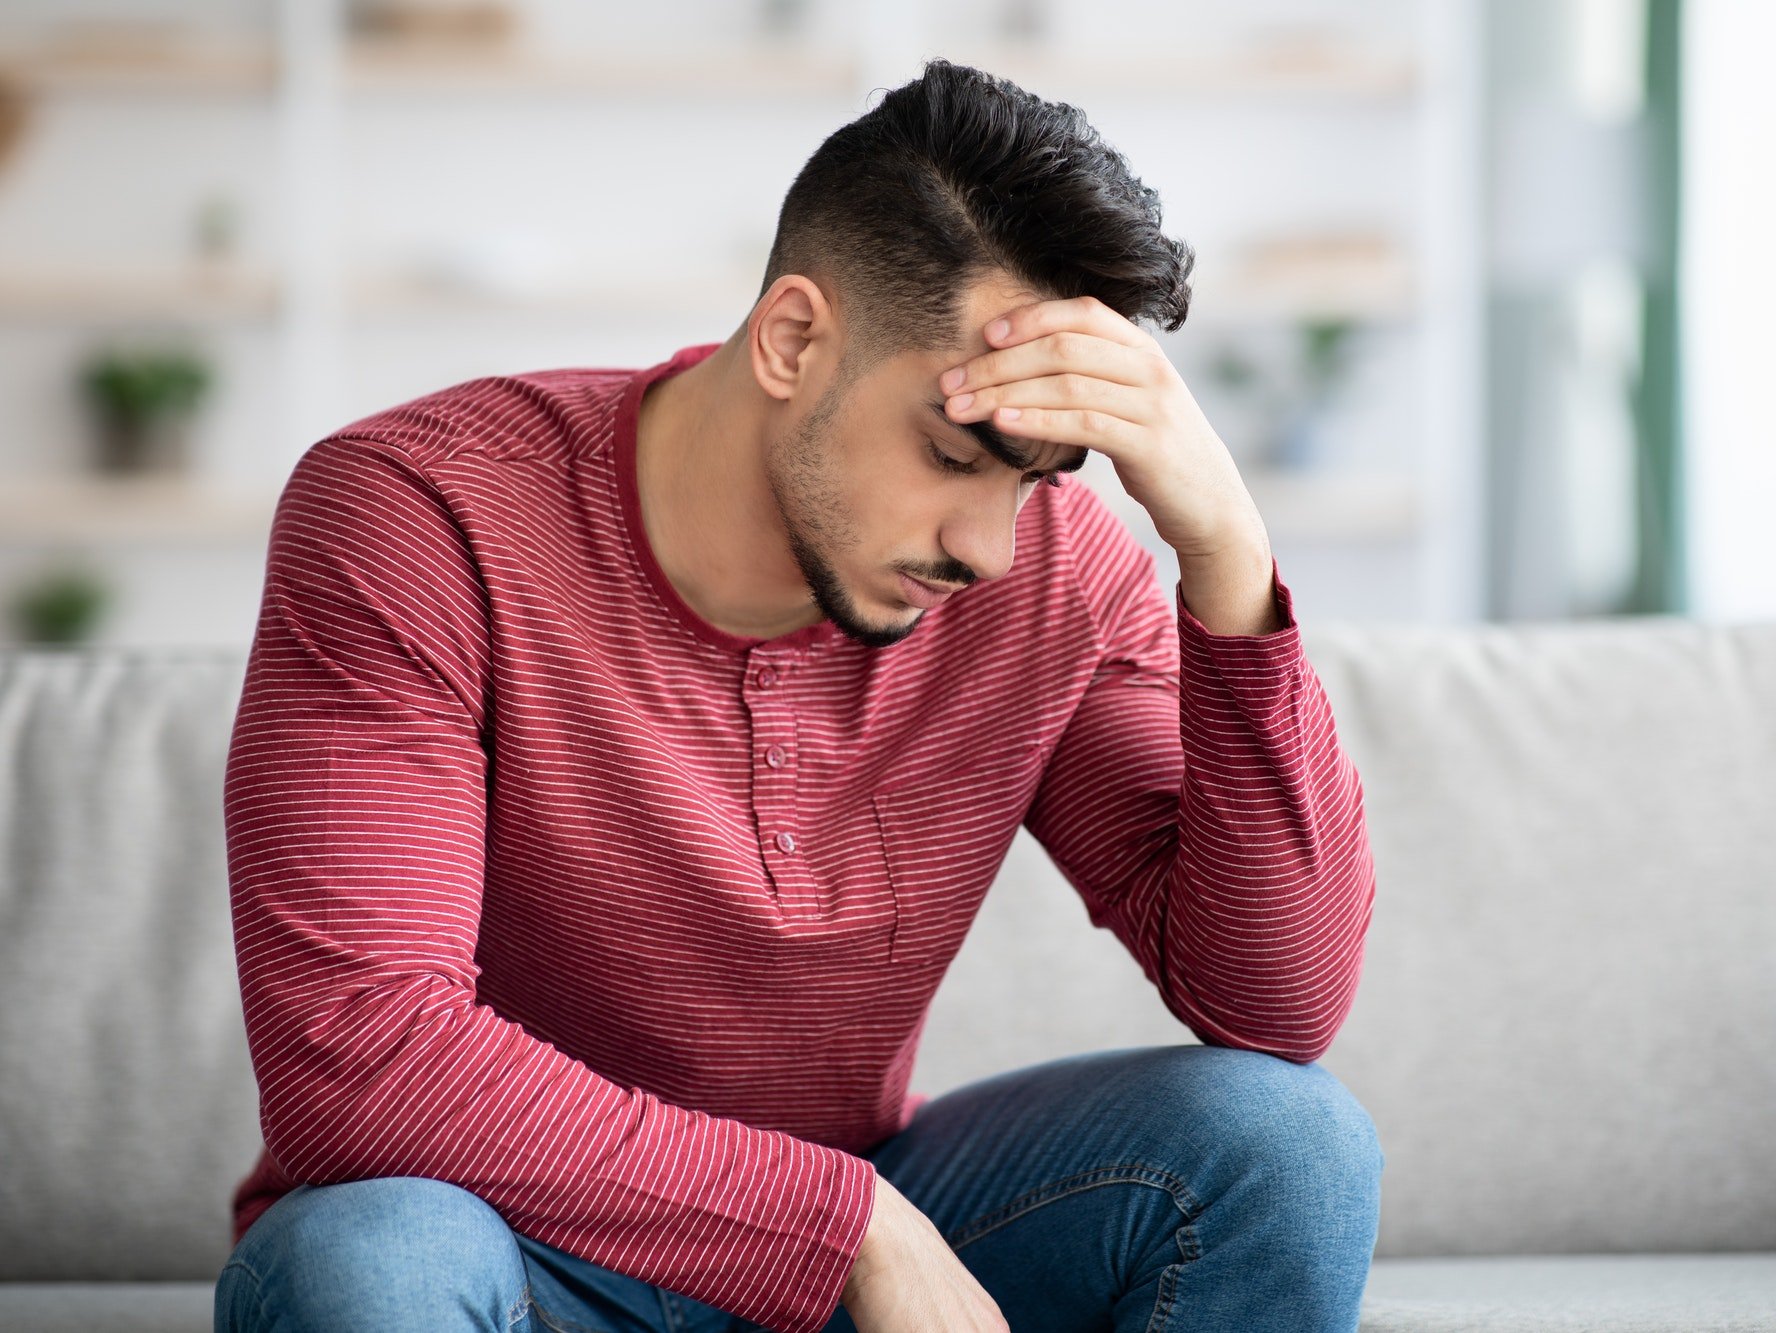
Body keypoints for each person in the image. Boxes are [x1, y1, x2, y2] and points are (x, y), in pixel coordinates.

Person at [213, 57, 1382, 1333]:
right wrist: (845, 1229)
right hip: (506, 1243)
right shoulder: (419, 515)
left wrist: (1223, 556)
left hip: (854, 1219)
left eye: (1039, 480)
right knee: (368, 1266)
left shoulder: (1047, 580)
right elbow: (356, 1051)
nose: (987, 545)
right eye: (952, 454)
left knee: (1286, 1146)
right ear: (791, 339)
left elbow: (1273, 1004)